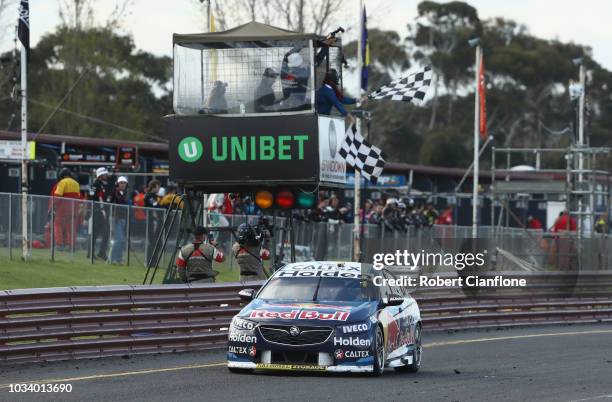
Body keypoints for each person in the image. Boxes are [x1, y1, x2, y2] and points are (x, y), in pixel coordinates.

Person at [53, 168, 81, 250]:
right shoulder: (76, 183)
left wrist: (54, 207)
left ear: (63, 175)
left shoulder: (63, 182)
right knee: (71, 227)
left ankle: (59, 244)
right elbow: (79, 197)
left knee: (57, 225)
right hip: (74, 208)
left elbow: (58, 196)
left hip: (63, 208)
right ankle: (70, 245)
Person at [89, 167, 111, 260]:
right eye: (105, 174)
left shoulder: (103, 184)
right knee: (96, 233)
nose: (106, 175)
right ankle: (91, 253)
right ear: (100, 175)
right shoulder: (95, 184)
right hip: (98, 211)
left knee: (106, 232)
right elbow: (91, 196)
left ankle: (101, 252)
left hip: (103, 212)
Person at [109, 176, 129, 264]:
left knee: (122, 240)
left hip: (123, 218)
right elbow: (111, 204)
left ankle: (118, 259)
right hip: (115, 218)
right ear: (117, 183)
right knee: (118, 239)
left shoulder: (125, 193)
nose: (123, 184)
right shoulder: (114, 192)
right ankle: (112, 259)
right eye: (121, 183)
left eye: (124, 183)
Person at [144, 179, 163, 264]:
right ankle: (149, 262)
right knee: (152, 242)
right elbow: (156, 206)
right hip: (152, 222)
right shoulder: (149, 196)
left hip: (157, 222)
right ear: (155, 186)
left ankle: (154, 262)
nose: (159, 188)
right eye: (158, 186)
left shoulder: (155, 196)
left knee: (158, 242)